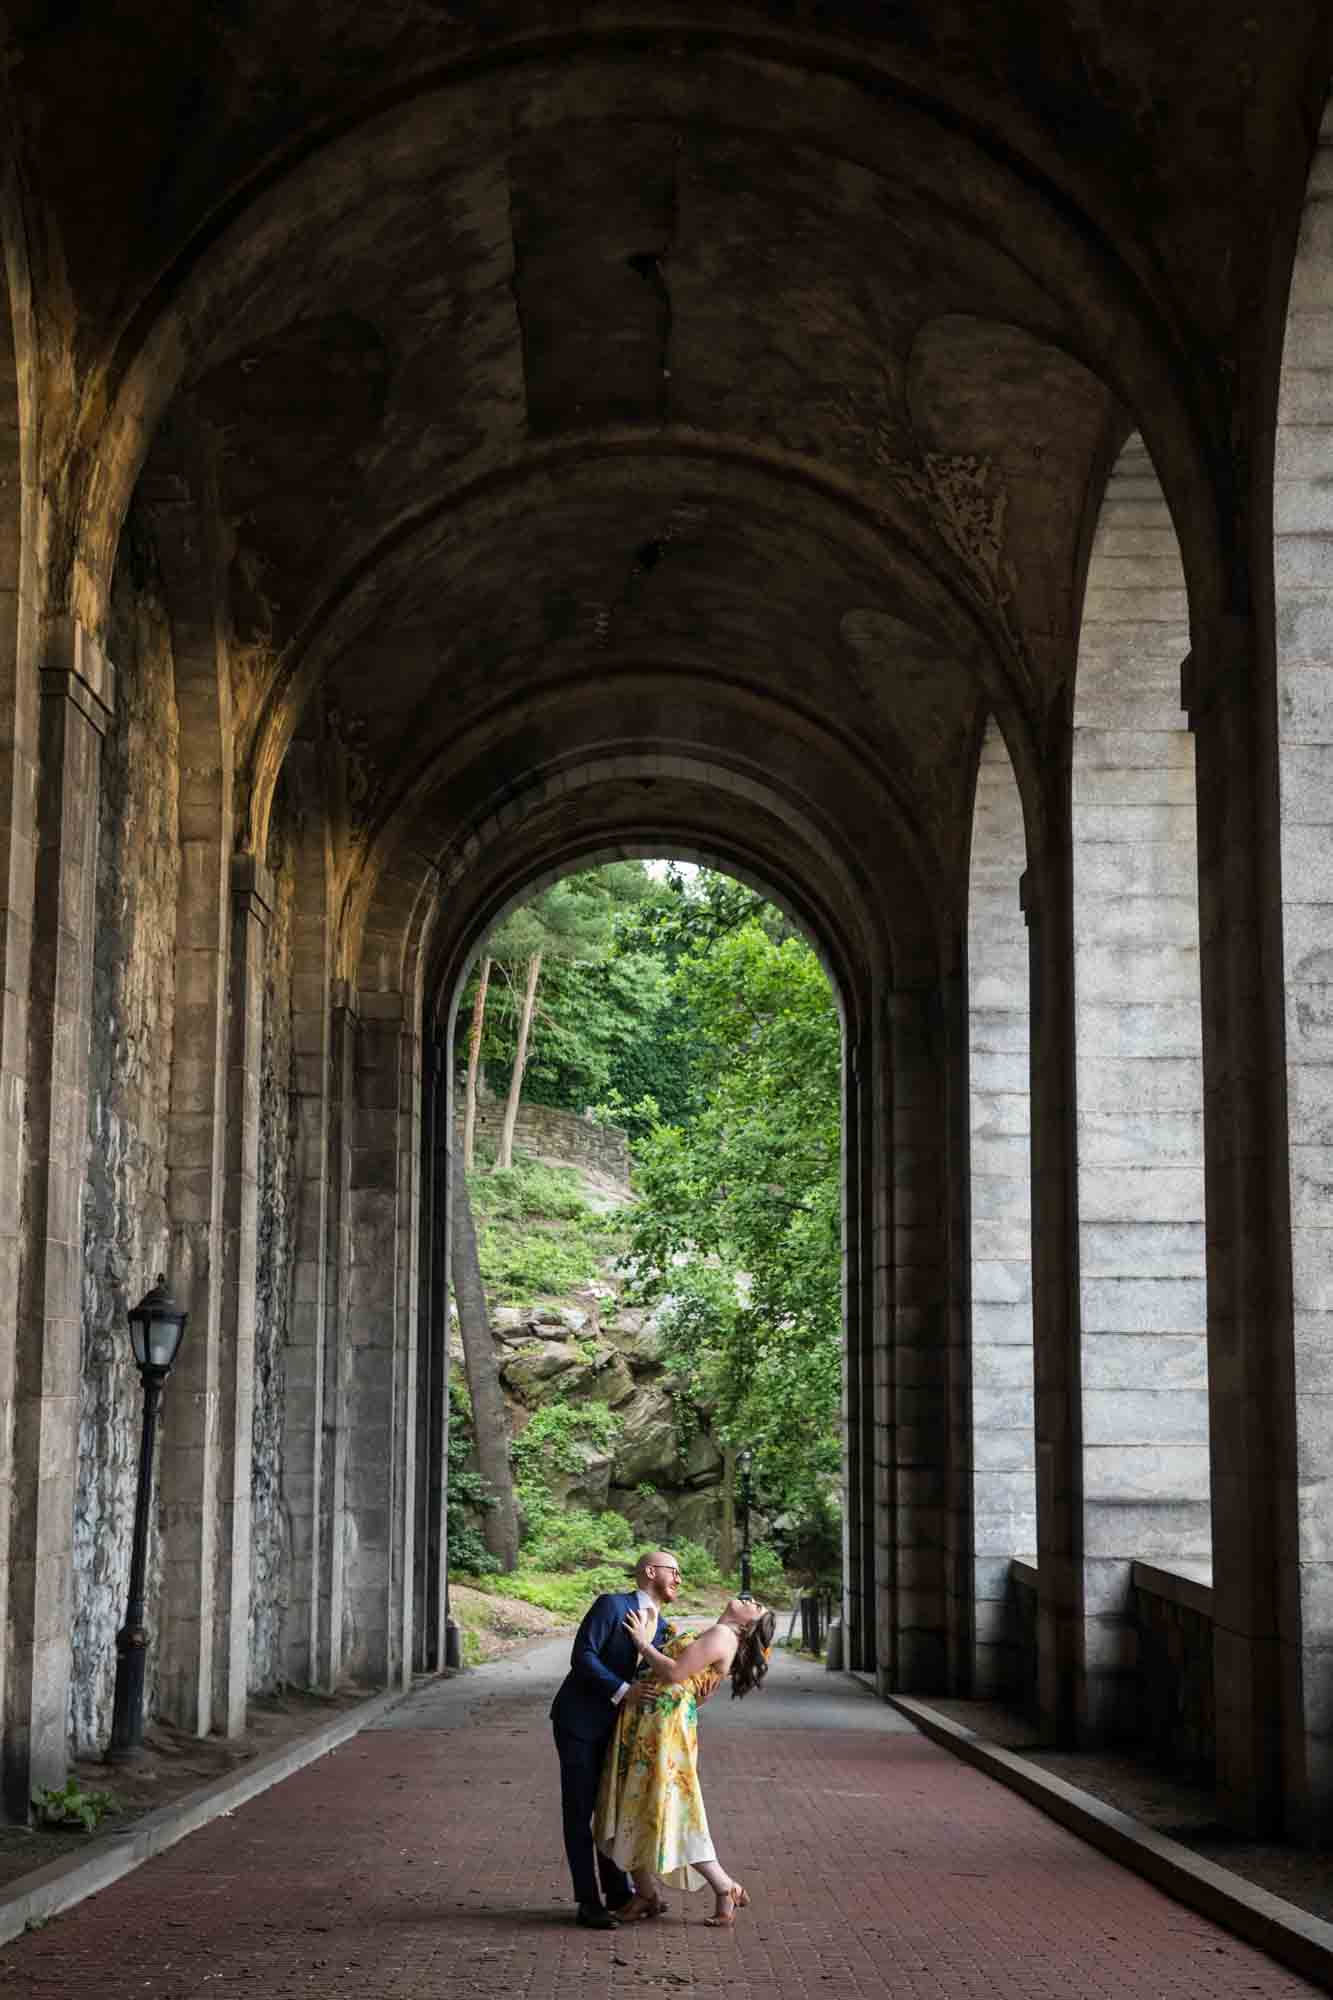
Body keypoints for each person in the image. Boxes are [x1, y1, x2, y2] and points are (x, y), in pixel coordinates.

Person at [593, 1596, 776, 1927]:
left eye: (757, 1605)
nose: (750, 1598)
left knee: (669, 1805)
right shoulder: (719, 1633)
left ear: (748, 1624)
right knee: (636, 1802)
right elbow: (698, 1693)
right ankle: (648, 1893)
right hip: (653, 1719)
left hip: (662, 1728)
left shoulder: (723, 1635)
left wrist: (642, 1643)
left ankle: (723, 1886)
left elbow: (677, 1672)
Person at [549, 1550, 682, 1929]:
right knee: (579, 1814)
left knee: (611, 1811)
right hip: (579, 1722)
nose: (679, 1580)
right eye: (675, 1571)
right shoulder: (612, 1605)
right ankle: (588, 1903)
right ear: (651, 1571)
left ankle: (620, 1893)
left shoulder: (665, 1627)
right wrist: (624, 1690)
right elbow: (583, 1656)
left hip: (621, 1732)